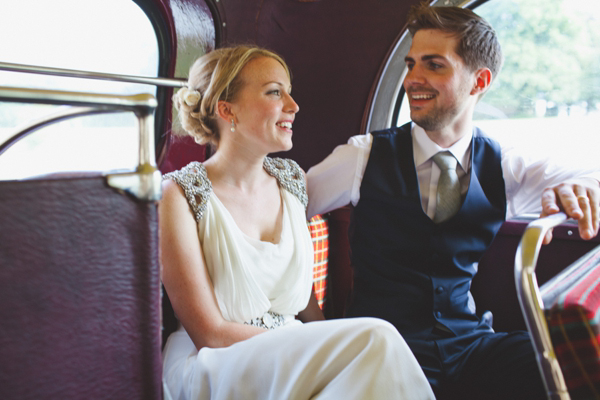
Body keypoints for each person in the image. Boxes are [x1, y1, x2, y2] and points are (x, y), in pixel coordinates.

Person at [306, 4, 600, 400]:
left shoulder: (503, 163)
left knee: (567, 364)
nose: (413, 79)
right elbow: (277, 215)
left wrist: (585, 187)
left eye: (434, 65)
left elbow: (585, 176)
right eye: (410, 64)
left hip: (469, 346)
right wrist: (311, 319)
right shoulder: (361, 156)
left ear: (479, 81)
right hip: (380, 348)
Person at [159, 45, 435, 400]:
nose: (293, 105)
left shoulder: (293, 181)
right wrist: (323, 345)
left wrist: (323, 338)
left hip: (291, 354)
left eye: (289, 91)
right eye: (275, 92)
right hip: (215, 362)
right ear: (227, 109)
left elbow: (305, 302)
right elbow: (209, 333)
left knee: (365, 365)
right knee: (376, 337)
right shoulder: (178, 195)